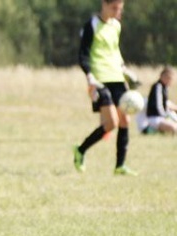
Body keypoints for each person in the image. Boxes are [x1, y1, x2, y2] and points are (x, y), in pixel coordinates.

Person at [73, 0, 139, 176]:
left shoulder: (116, 26)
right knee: (111, 123)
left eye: (120, 8)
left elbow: (114, 52)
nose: (118, 12)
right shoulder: (92, 25)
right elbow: (83, 55)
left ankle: (120, 166)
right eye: (114, 8)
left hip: (116, 78)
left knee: (125, 121)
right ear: (104, 4)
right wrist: (89, 77)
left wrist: (125, 70)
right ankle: (80, 150)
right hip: (99, 79)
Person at [139, 66, 177, 135]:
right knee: (174, 127)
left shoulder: (164, 88)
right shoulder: (158, 86)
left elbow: (166, 104)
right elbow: (158, 105)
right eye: (169, 78)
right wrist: (165, 116)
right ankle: (149, 129)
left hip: (161, 117)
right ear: (163, 76)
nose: (171, 81)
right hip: (155, 118)